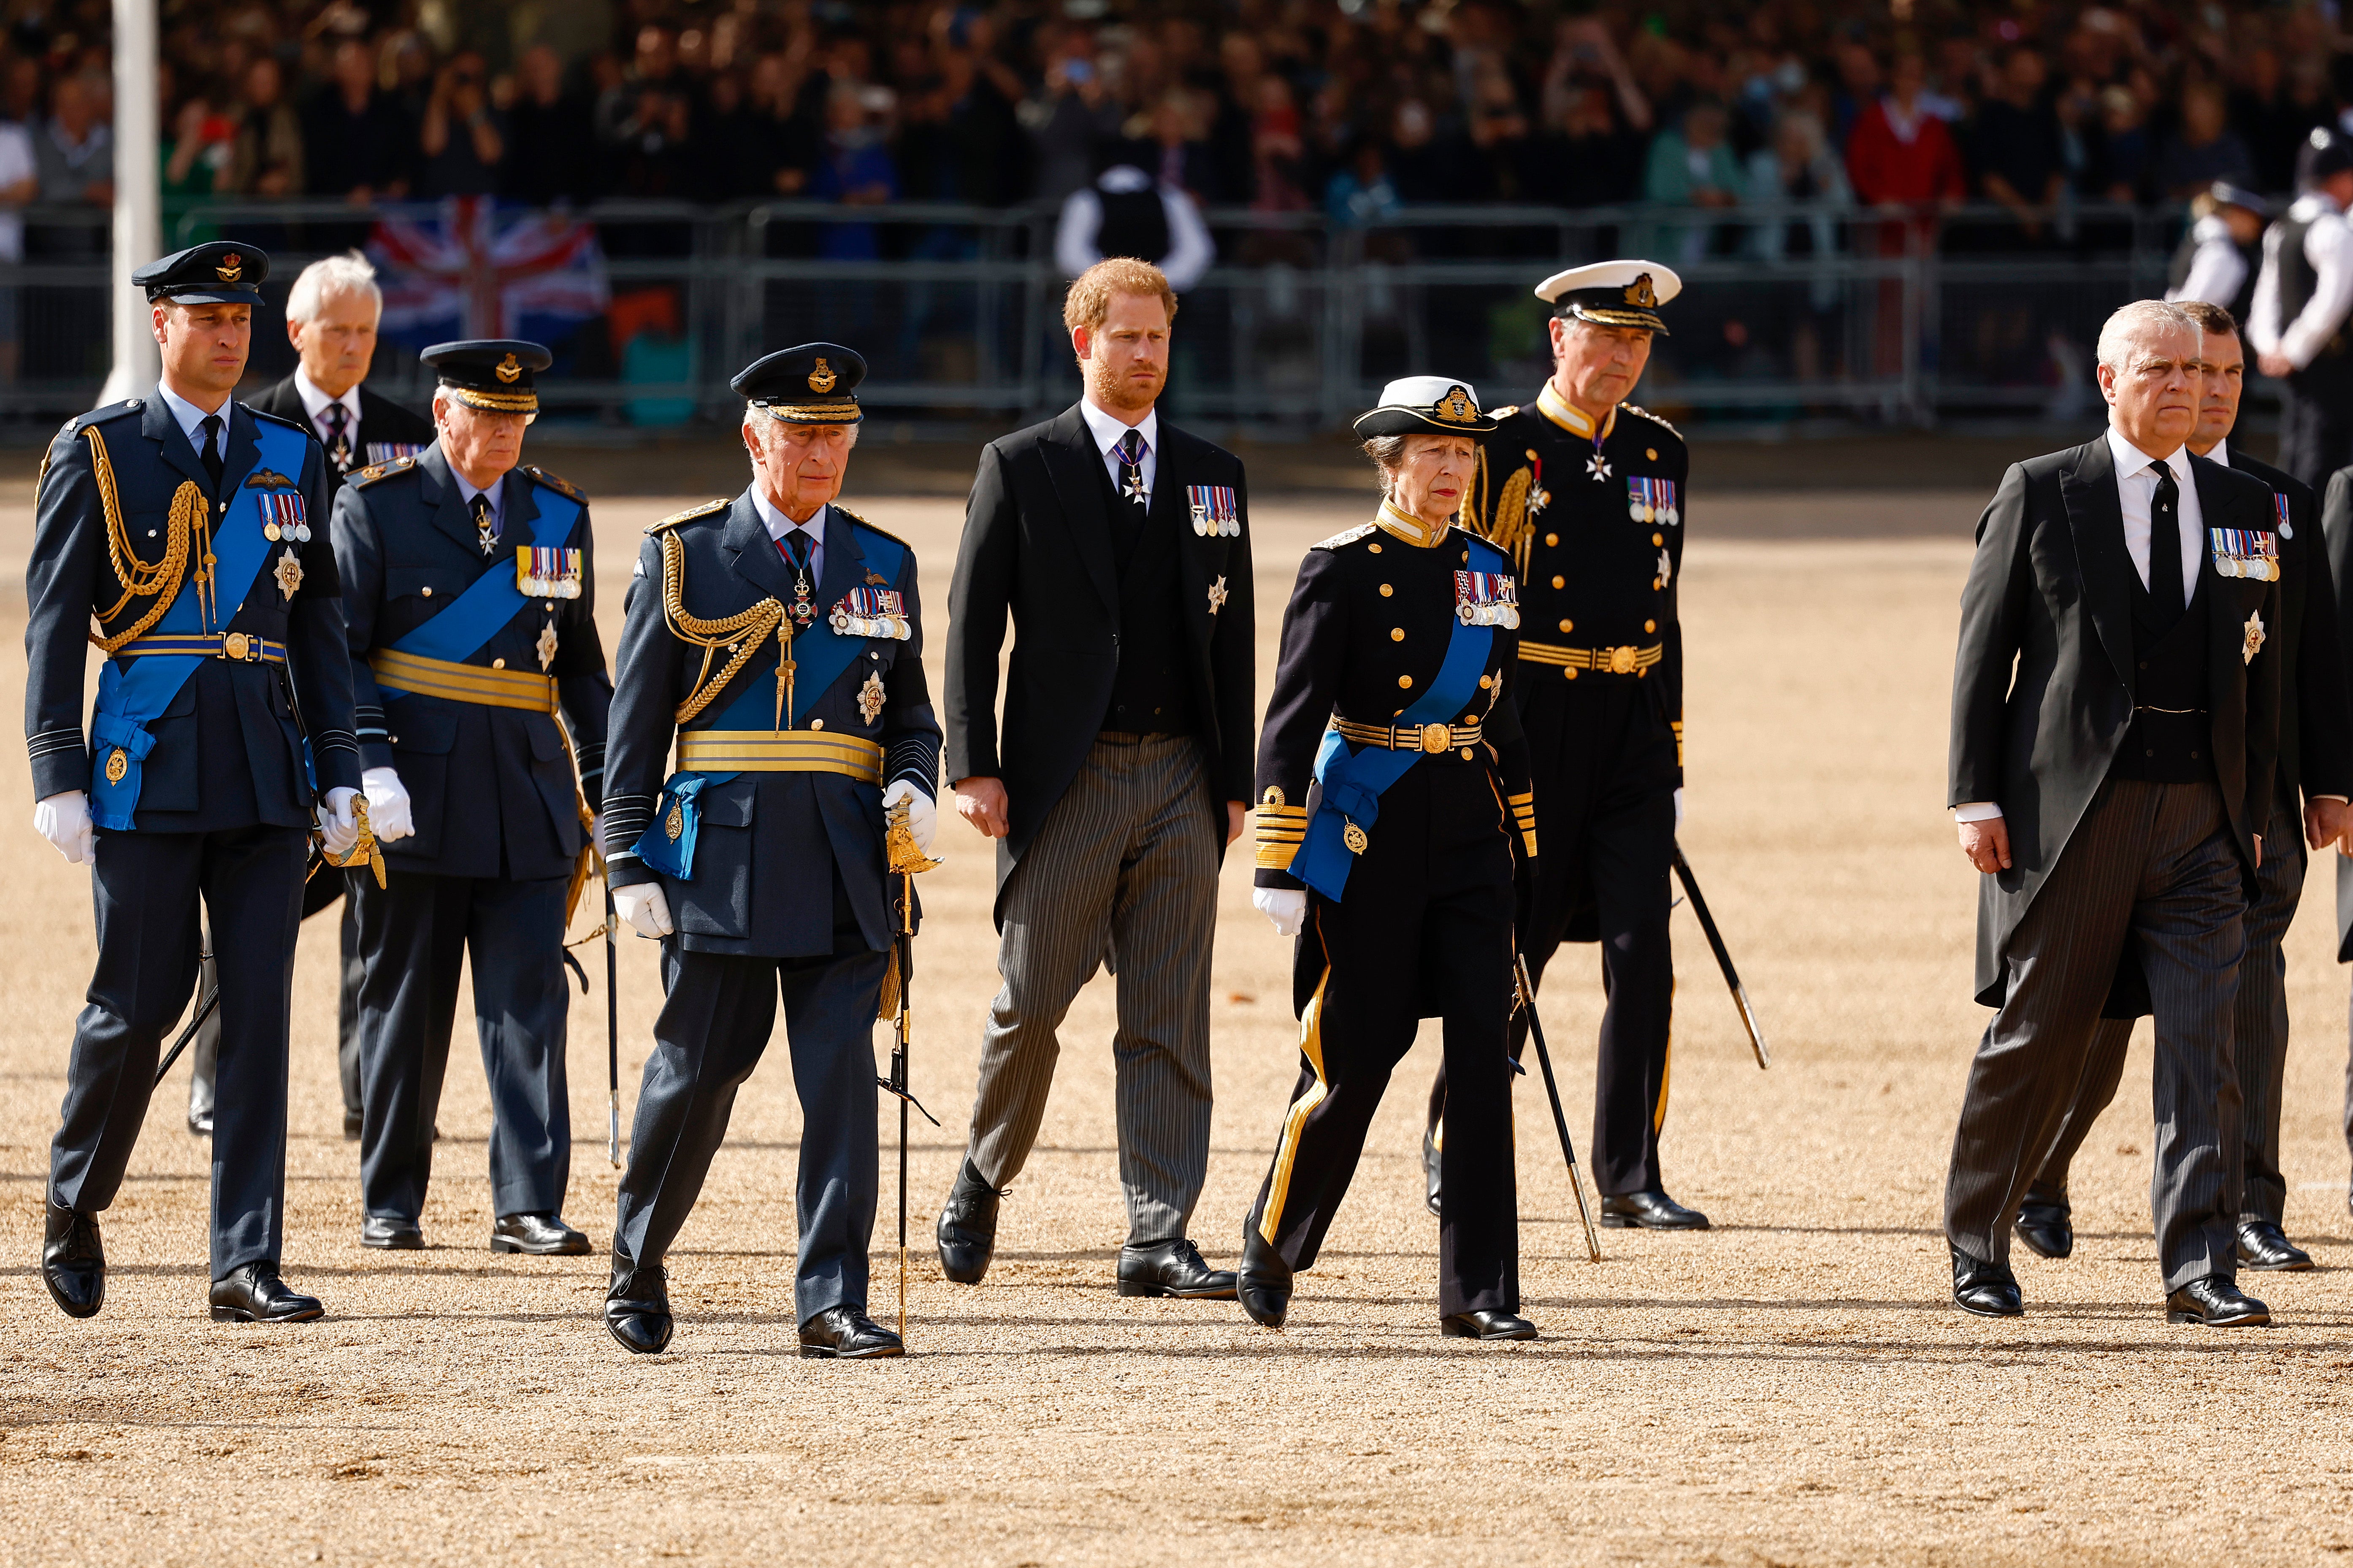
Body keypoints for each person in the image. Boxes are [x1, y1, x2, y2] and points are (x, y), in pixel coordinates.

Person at [25, 241, 363, 1323]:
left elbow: (320, 629)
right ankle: (75, 1200)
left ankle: (243, 1259)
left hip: (267, 770)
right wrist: (56, 769)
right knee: (136, 1003)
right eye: (206, 317)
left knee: (258, 1011)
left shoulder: (288, 452)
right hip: (150, 763)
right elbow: (50, 628)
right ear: (161, 325)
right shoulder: (101, 450)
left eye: (241, 318)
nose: (229, 334)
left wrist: (343, 769)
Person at [597, 343, 941, 1359]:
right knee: (694, 1076)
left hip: (844, 859)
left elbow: (910, 710)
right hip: (722, 860)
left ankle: (830, 1298)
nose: (824, 450)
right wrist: (624, 854)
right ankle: (636, 1263)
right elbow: (636, 720)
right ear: (756, 438)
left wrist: (915, 777)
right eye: (802, 432)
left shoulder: (885, 560)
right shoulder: (686, 554)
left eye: (839, 433)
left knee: (840, 1084)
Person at [1945, 298, 2282, 1328]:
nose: (2182, 385)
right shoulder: (2044, 491)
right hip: (2072, 816)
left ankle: (2197, 1264)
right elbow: (1982, 650)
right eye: (2157, 368)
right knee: (2039, 1032)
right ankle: (1979, 1238)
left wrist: (2255, 804)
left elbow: (2255, 669)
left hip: (2202, 818)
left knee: (2203, 1043)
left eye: (2194, 367)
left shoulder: (2240, 503)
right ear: (2106, 378)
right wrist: (1974, 794)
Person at [938, 257, 1255, 1300]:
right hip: (1064, 776)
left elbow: (1235, 632)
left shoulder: (1214, 472)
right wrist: (974, 764)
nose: (1145, 355)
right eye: (1125, 337)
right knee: (1030, 1002)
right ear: (1084, 343)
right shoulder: (1020, 463)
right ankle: (983, 1174)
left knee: (1169, 1012)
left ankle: (1157, 1230)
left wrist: (1237, 777)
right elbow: (973, 626)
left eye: (1158, 337)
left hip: (1181, 774)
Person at [2016, 299, 2353, 1273]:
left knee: (2247, 999)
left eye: (2227, 375)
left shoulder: (2276, 502)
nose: (2207, 391)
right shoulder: (2098, 492)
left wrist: (2328, 782)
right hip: (2130, 801)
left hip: (2252, 806)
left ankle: (2249, 1202)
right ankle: (2041, 1166)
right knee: (2105, 1019)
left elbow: (2313, 660)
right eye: (2190, 371)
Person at [1237, 377, 1535, 1341]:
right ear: (1390, 460)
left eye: (1463, 454)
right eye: (1431, 453)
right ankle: (1274, 1235)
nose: (1451, 470)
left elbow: (1505, 716)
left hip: (1469, 836)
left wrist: (1524, 841)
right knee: (1356, 1054)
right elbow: (1288, 720)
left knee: (1485, 1062)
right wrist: (1280, 862)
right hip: (1370, 832)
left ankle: (1480, 1288)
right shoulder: (1341, 567)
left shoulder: (1488, 567)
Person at [1427, 260, 1700, 1231]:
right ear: (1559, 339)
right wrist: (1469, 730)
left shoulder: (1660, 453)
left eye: (1638, 343)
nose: (1624, 358)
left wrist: (1670, 746)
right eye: (1606, 338)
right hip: (1530, 716)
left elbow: (1666, 608)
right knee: (1512, 935)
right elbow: (1465, 596)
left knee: (1643, 949)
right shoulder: (1499, 450)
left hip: (1629, 721)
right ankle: (1459, 1125)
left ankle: (1629, 1168)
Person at [331, 339, 609, 1255]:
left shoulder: (559, 515)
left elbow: (581, 672)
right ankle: (392, 1198)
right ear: (443, 412)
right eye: (484, 413)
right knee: (405, 1006)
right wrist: (369, 766)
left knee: (530, 1004)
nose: (500, 431)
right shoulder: (377, 509)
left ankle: (528, 1200)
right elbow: (342, 659)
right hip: (414, 792)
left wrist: (612, 793)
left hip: (528, 796)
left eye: (516, 416)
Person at [186, 251, 436, 1141]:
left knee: (379, 904)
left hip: (372, 708)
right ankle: (216, 1081)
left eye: (369, 332)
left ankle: (371, 1096)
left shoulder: (413, 435)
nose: (357, 347)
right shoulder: (254, 427)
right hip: (264, 695)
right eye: (340, 331)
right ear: (296, 333)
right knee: (257, 904)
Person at [2251, 128, 2353, 492]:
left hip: (2291, 365)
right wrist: (2292, 351)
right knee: (2322, 457)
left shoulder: (2282, 227)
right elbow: (2333, 300)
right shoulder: (2334, 230)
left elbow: (2265, 299)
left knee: (2294, 449)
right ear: (2339, 179)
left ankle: (2287, 534)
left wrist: (2270, 348)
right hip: (2328, 366)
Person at [1053, 153, 1215, 293]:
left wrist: (1148, 284)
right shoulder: (1173, 199)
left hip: (1153, 300)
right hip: (1105, 300)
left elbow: (1071, 256)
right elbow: (1196, 252)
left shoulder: (1084, 201)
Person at [2167, 183, 2271, 322]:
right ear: (2237, 213)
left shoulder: (2202, 239)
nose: (2258, 228)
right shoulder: (2220, 252)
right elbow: (2194, 310)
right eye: (2255, 218)